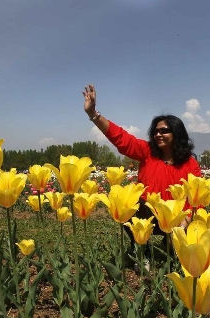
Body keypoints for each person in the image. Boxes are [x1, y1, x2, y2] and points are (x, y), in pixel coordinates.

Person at [82, 84, 201, 259]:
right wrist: (94, 114)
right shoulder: (146, 152)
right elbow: (122, 138)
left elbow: (197, 198)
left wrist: (185, 222)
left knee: (174, 253)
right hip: (147, 215)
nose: (158, 134)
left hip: (177, 219)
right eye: (155, 131)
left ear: (177, 134)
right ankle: (141, 250)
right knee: (125, 204)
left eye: (164, 131)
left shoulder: (190, 164)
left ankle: (168, 246)